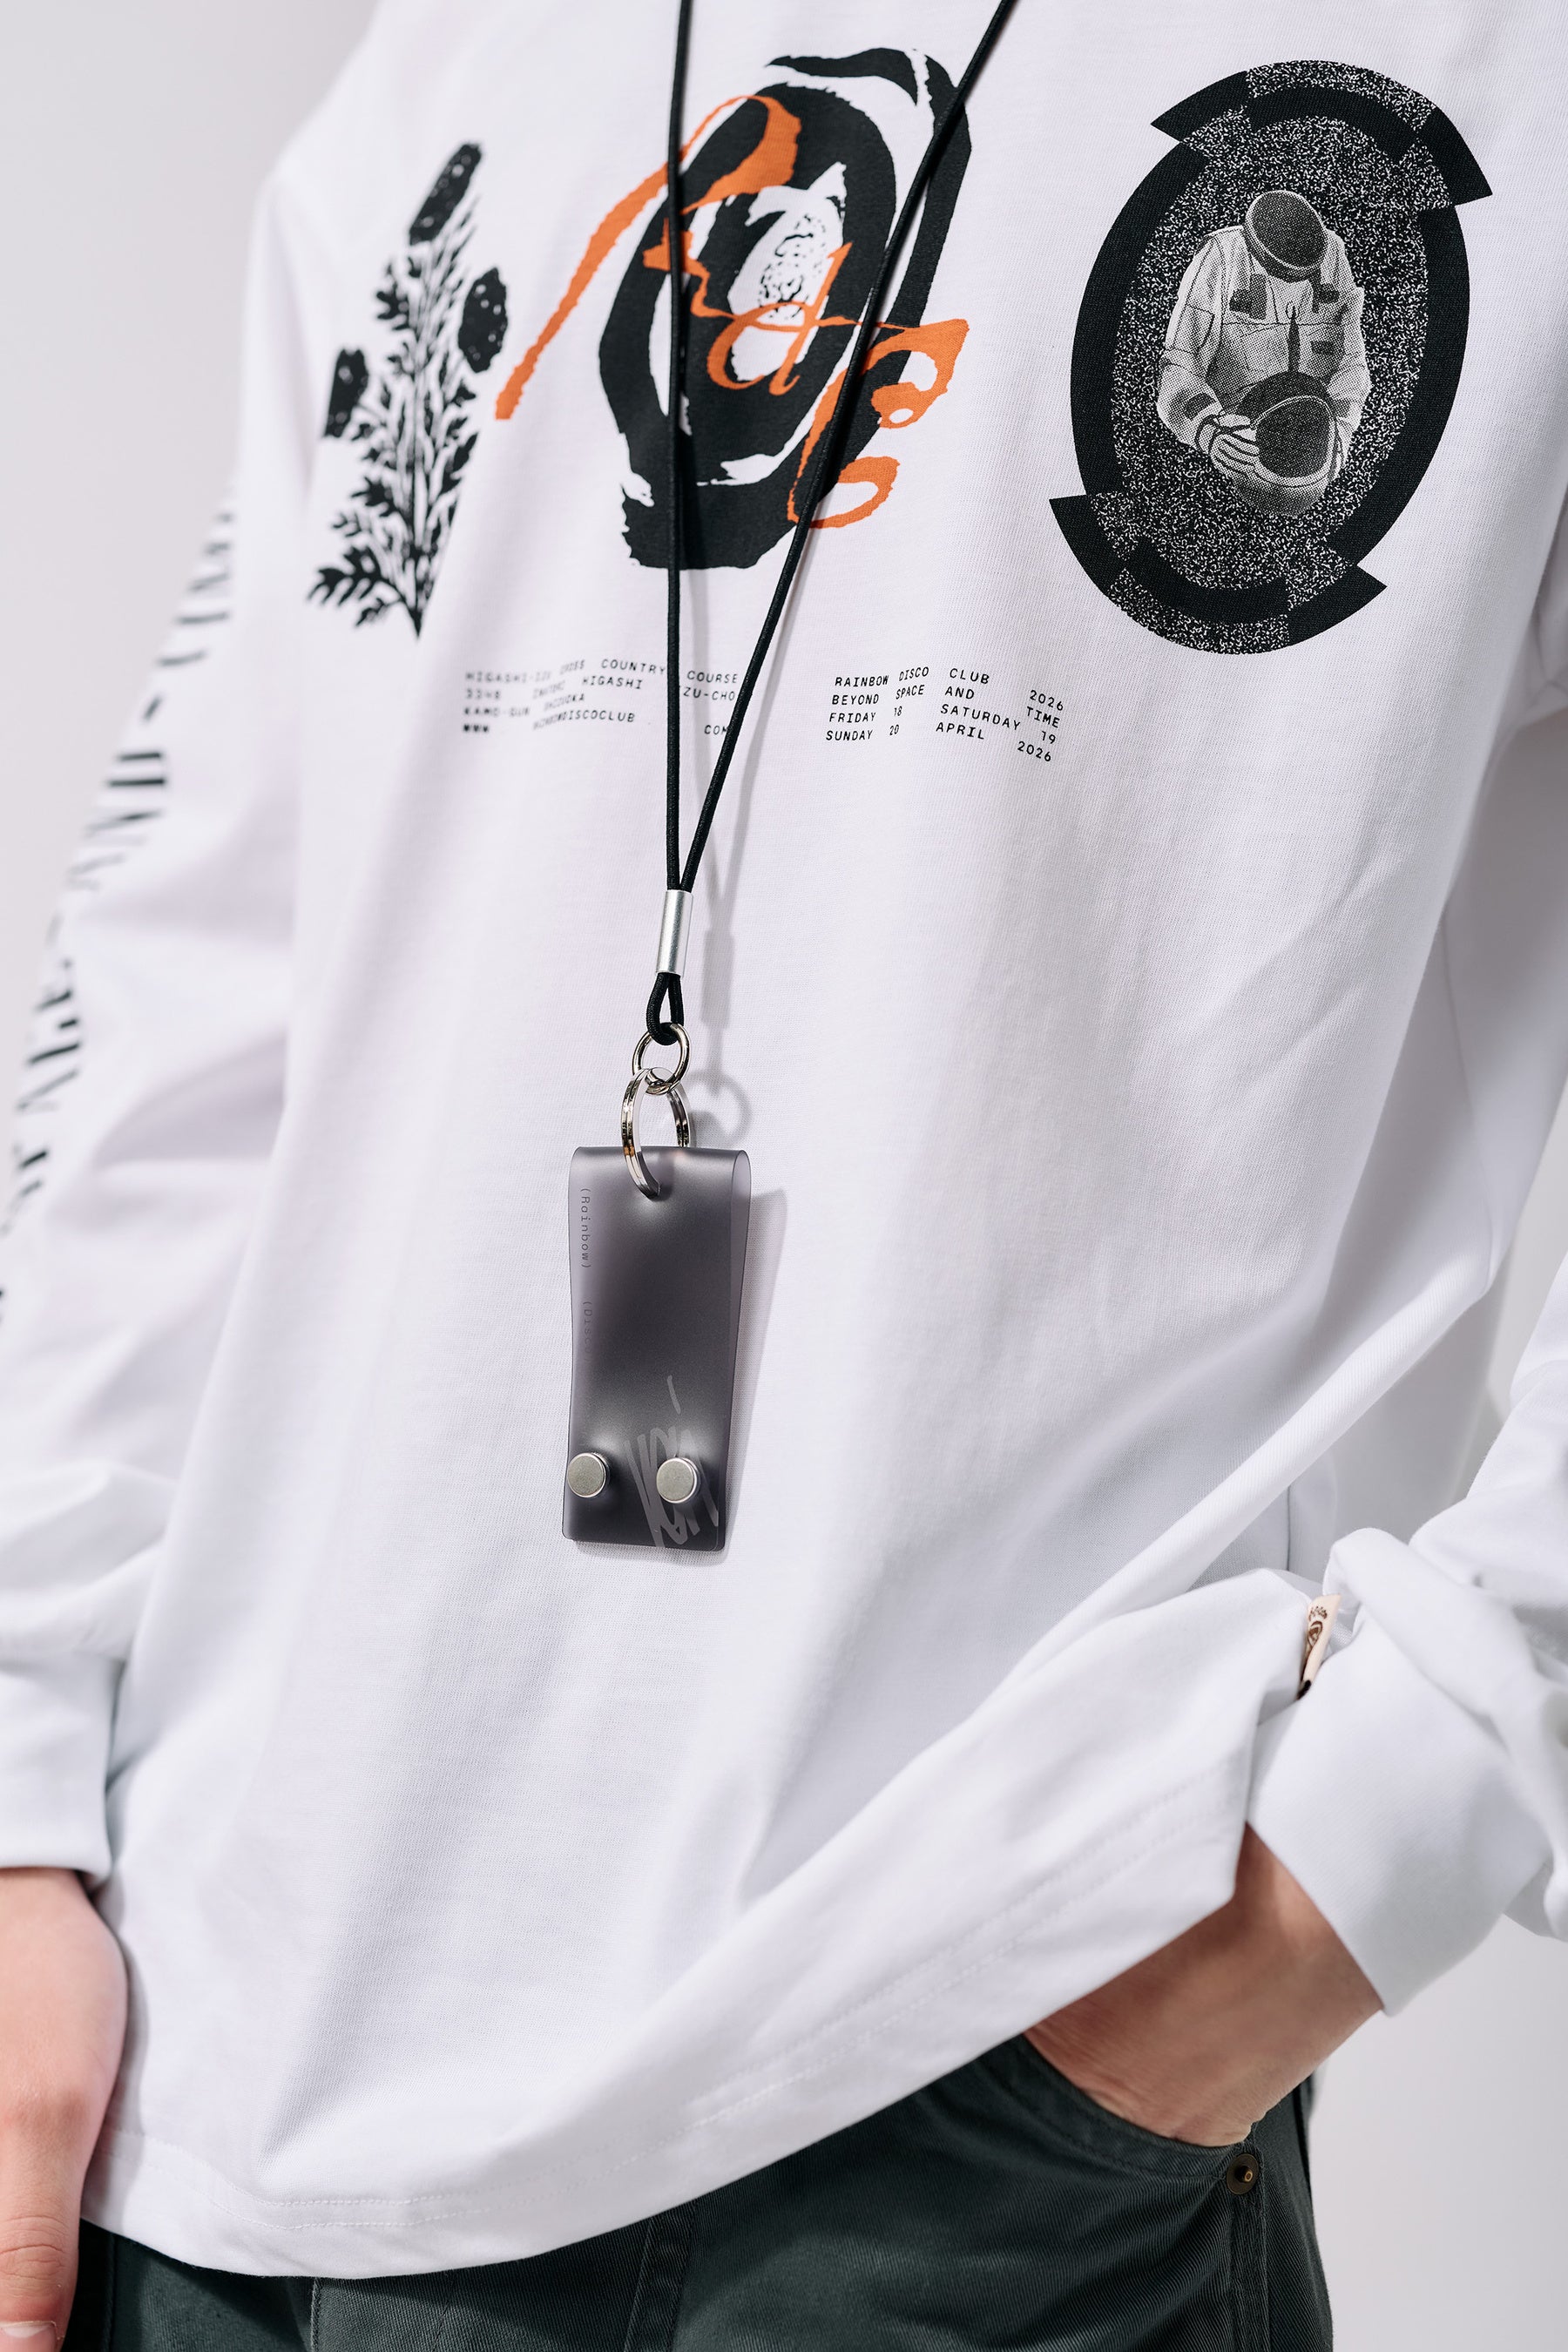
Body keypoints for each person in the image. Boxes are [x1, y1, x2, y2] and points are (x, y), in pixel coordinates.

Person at [0, 10, 1564, 2349]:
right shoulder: (453, 63)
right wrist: (19, 1781)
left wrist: (1400, 1815)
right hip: (188, 2082)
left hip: (959, 2108)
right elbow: (197, 966)